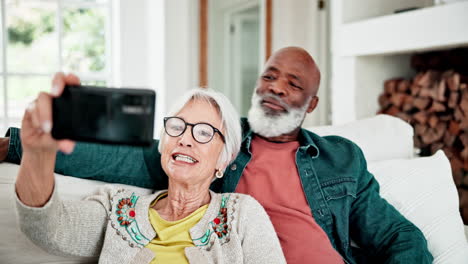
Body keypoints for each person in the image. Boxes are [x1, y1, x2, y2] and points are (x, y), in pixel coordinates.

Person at [2, 47, 433, 263]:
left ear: (312, 104)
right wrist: (22, 144)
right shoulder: (216, 143)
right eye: (270, 76)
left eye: (293, 83)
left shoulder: (341, 159)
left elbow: (402, 238)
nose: (277, 87)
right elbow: (123, 161)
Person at [14, 80, 286, 264]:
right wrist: (38, 152)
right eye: (177, 126)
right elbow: (49, 228)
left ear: (223, 162)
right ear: (163, 142)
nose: (185, 139)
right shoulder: (119, 209)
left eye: (204, 132)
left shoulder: (240, 214)